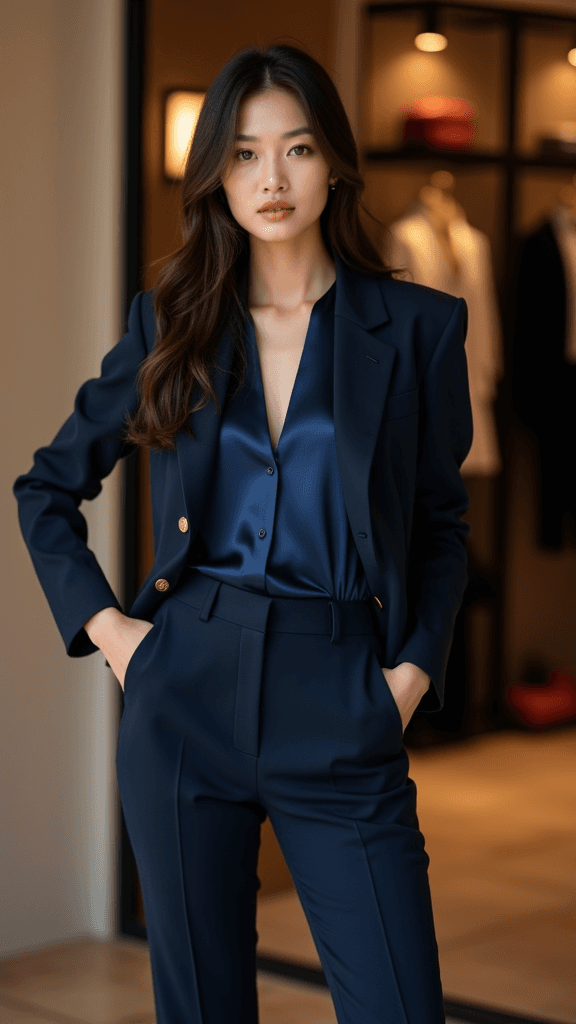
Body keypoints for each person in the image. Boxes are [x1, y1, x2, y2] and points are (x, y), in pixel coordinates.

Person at [13, 43, 473, 1024]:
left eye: (297, 149)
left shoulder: (419, 327)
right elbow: (46, 488)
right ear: (216, 171)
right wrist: (113, 631)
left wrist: (411, 675)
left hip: (343, 688)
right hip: (186, 691)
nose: (271, 180)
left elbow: (442, 525)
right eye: (245, 155)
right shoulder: (169, 323)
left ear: (336, 162)